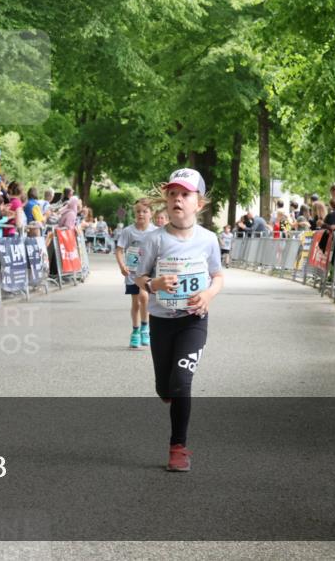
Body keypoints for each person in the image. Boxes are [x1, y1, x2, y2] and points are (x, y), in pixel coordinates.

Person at [134, 169, 224, 473]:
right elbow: (139, 276)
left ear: (199, 203)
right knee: (165, 388)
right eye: (173, 194)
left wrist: (209, 294)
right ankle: (169, 391)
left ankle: (178, 448)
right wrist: (153, 284)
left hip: (193, 320)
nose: (178, 199)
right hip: (161, 320)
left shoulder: (209, 239)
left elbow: (218, 275)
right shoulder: (155, 240)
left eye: (185, 194)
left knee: (182, 382)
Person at [115, 198, 156, 348]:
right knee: (136, 302)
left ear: (151, 213)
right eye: (138, 211)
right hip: (132, 272)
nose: (141, 214)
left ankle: (145, 328)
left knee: (144, 297)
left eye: (145, 211)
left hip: (148, 272)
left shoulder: (155, 231)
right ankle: (136, 330)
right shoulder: (128, 231)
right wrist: (122, 266)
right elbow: (119, 250)